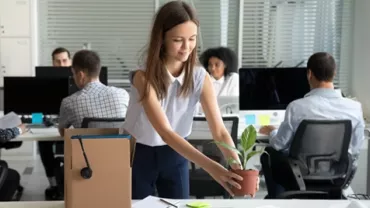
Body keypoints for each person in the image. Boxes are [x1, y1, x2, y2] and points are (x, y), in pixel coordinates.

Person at [122, 1, 257, 200]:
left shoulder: (200, 77)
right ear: (162, 39)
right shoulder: (142, 77)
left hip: (177, 154)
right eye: (178, 40)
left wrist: (237, 165)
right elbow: (165, 132)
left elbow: (219, 130)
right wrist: (214, 169)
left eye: (192, 39)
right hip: (139, 154)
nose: (187, 47)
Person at [259, 52, 365, 198]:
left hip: (298, 175)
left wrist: (273, 131)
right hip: (336, 174)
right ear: (334, 72)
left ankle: (278, 200)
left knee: (268, 153)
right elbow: (355, 148)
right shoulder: (354, 107)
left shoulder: (296, 107)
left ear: (309, 74)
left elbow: (279, 145)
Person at [58, 49, 129, 136]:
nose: (73, 77)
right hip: (119, 149)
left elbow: (62, 133)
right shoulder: (122, 94)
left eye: (74, 74)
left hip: (87, 150)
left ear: (81, 75)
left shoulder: (69, 102)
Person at [38, 47, 72, 200]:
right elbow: (35, 110)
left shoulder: (78, 78)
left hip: (72, 124)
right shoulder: (45, 81)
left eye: (64, 60)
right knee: (43, 144)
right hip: (50, 123)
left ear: (70, 62)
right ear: (53, 63)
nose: (61, 64)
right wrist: (38, 119)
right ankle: (53, 184)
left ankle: (72, 183)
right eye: (58, 61)